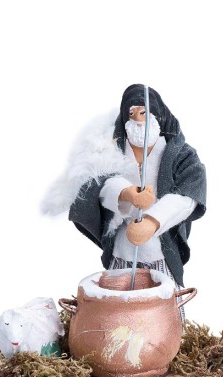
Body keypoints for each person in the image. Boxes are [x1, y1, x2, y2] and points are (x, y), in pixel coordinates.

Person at [42, 84, 207, 311]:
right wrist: (125, 193)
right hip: (122, 251)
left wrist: (152, 222)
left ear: (157, 115)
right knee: (118, 308)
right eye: (131, 113)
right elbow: (98, 183)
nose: (138, 120)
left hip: (159, 253)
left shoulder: (180, 154)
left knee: (163, 309)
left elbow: (187, 196)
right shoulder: (109, 149)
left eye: (143, 113)